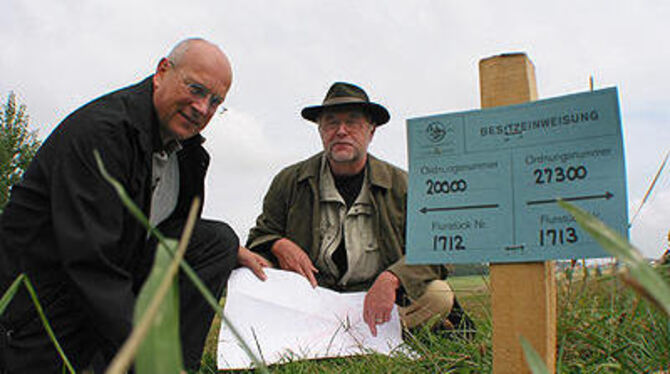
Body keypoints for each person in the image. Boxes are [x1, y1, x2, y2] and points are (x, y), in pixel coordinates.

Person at [0, 38, 269, 373]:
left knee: (217, 241)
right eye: (196, 89)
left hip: (113, 285)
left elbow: (174, 237)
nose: (203, 108)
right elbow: (92, 265)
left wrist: (232, 251)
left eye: (215, 101)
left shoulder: (188, 155)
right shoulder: (103, 135)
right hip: (43, 308)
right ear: (162, 72)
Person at [246, 82, 474, 338]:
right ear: (321, 131)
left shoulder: (404, 186)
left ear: (371, 131)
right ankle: (375, 337)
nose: (341, 131)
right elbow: (258, 237)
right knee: (248, 271)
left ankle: (370, 333)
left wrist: (392, 278)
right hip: (312, 300)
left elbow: (437, 253)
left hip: (378, 302)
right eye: (331, 123)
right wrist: (277, 243)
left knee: (439, 295)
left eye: (352, 122)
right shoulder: (289, 180)